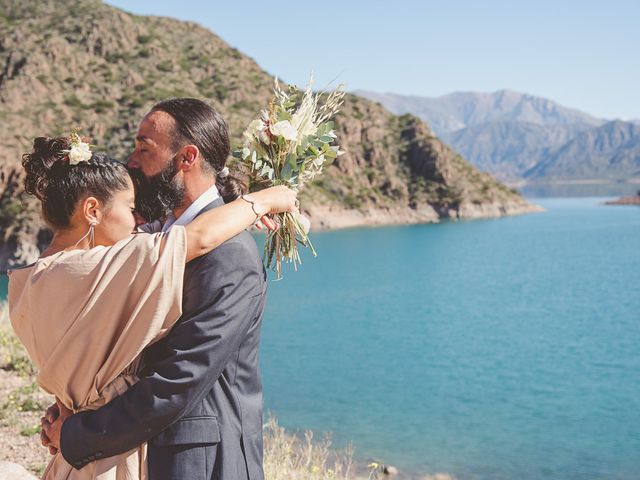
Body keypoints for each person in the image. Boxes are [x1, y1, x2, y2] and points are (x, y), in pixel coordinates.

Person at [25, 100, 294, 480]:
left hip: (198, 463)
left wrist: (77, 434)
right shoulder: (150, 237)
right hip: (137, 453)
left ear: (187, 157)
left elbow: (178, 379)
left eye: (144, 148)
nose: (130, 161)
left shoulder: (230, 254)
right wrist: (78, 403)